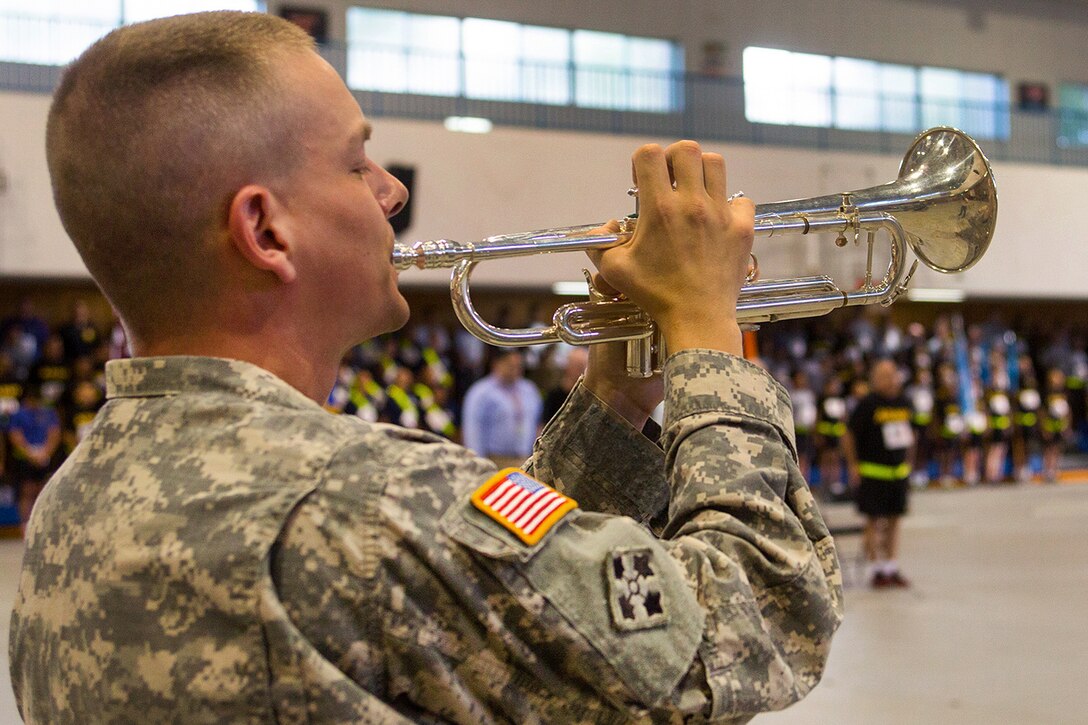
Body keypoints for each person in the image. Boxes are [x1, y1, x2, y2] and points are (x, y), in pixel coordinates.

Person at [10, 11, 841, 723]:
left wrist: (616, 400)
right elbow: (753, 618)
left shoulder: (72, 504)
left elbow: (507, 605)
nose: (391, 192)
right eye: (355, 162)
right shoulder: (365, 502)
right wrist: (705, 330)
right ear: (265, 231)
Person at [842, 358, 914, 588]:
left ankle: (890, 567)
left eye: (891, 374)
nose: (888, 379)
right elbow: (848, 435)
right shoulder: (868, 404)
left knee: (894, 519)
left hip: (898, 474)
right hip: (873, 474)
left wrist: (910, 462)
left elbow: (910, 435)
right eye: (883, 375)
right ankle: (876, 570)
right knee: (873, 521)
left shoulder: (904, 402)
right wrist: (853, 465)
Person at [461, 348, 543, 467]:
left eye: (518, 365)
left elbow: (538, 424)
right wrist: (477, 464)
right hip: (495, 460)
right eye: (511, 365)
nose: (515, 369)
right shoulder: (481, 392)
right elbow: (473, 431)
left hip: (526, 459)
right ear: (497, 364)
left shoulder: (529, 390)